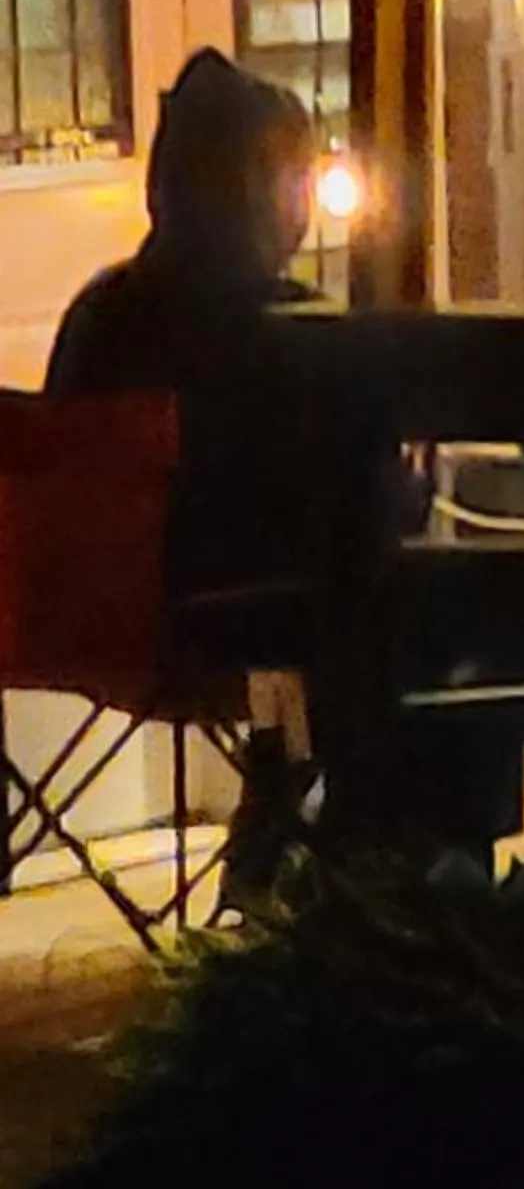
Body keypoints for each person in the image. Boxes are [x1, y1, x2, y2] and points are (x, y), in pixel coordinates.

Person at [47, 48, 322, 891]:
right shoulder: (289, 332)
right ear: (258, 187)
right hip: (220, 625)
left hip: (78, 621)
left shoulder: (100, 312)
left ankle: (281, 796)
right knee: (377, 587)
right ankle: (324, 839)